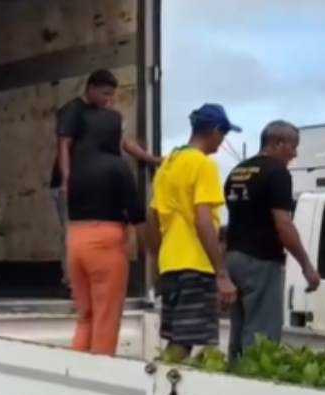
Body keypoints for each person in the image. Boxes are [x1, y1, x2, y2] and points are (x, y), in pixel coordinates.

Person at [50, 70, 161, 285]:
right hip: (72, 182)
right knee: (72, 231)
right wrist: (65, 181)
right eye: (104, 94)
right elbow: (64, 146)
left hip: (96, 185)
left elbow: (123, 142)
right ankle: (72, 282)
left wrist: (150, 159)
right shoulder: (73, 111)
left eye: (112, 95)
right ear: (90, 89)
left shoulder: (106, 117)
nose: (108, 100)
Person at [148, 104, 241, 358]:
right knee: (185, 343)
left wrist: (158, 262)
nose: (222, 142)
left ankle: (163, 386)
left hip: (170, 265)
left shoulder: (168, 165)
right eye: (223, 135)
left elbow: (152, 219)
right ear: (214, 130)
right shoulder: (203, 165)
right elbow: (203, 220)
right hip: (195, 266)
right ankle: (158, 389)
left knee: (178, 340)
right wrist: (221, 274)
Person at [224, 121, 321, 360]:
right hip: (261, 261)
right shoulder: (278, 173)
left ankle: (232, 380)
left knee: (239, 330)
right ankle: (253, 391)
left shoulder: (237, 171)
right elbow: (283, 224)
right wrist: (307, 266)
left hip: (234, 258)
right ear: (278, 143)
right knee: (261, 336)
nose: (295, 154)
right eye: (293, 147)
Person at [66, 108, 147, 355]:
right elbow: (137, 214)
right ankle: (98, 383)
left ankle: (73, 380)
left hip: (75, 240)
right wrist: (150, 251)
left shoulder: (75, 166)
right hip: (105, 243)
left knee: (86, 315)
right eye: (120, 132)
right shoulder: (116, 166)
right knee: (106, 317)